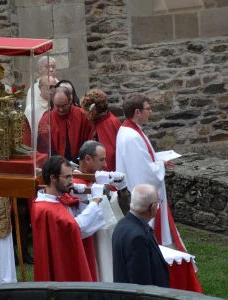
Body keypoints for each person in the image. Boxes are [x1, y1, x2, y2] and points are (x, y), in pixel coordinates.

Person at [116, 93, 186, 251]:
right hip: (144, 196)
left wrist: (158, 161)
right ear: (137, 112)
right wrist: (160, 165)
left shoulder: (129, 131)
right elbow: (144, 171)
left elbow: (142, 161)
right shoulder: (131, 137)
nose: (151, 111)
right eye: (148, 108)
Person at [32, 155, 105, 282]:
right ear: (53, 178)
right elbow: (76, 228)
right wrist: (95, 201)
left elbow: (74, 218)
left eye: (71, 176)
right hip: (63, 263)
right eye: (67, 177)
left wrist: (82, 199)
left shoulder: (59, 198)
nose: (71, 181)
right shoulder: (47, 208)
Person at [73, 141, 129, 282]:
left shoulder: (99, 179)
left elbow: (117, 208)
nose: (105, 165)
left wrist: (123, 189)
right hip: (92, 242)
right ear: (87, 159)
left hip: (109, 239)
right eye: (101, 160)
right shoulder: (75, 185)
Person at [112, 184, 170, 288]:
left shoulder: (121, 224)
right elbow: (141, 283)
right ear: (153, 207)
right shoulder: (138, 237)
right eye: (158, 203)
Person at [37, 87, 92, 162]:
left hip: (80, 161)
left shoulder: (83, 115)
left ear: (70, 100)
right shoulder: (46, 119)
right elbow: (44, 146)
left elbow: (89, 141)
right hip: (56, 163)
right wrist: (60, 162)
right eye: (57, 106)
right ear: (53, 101)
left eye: (64, 106)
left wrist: (77, 159)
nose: (61, 109)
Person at [80, 89, 122, 172]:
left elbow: (109, 156)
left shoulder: (109, 123)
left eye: (86, 110)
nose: (84, 113)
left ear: (93, 111)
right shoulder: (99, 121)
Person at [23, 75, 57, 145]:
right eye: (49, 87)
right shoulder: (31, 109)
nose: (52, 91)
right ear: (40, 87)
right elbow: (28, 135)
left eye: (54, 87)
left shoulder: (59, 106)